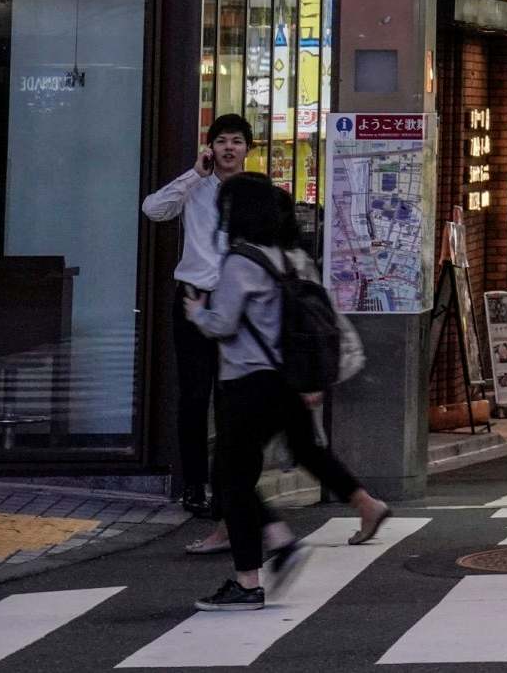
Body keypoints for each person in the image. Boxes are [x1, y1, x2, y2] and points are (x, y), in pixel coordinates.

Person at [186, 177, 391, 612]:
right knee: (304, 451)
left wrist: (197, 312)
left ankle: (250, 579)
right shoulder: (291, 259)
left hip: (247, 384)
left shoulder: (241, 263)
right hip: (288, 381)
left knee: (231, 479)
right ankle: (323, 520)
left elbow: (222, 324)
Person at [142, 112, 254, 520]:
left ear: (247, 149)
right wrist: (193, 175)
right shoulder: (195, 187)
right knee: (193, 396)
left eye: (237, 141)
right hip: (193, 299)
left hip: (238, 305)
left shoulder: (255, 192)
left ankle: (228, 485)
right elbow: (154, 210)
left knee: (231, 400)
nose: (228, 148)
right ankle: (194, 484)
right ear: (210, 147)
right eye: (222, 140)